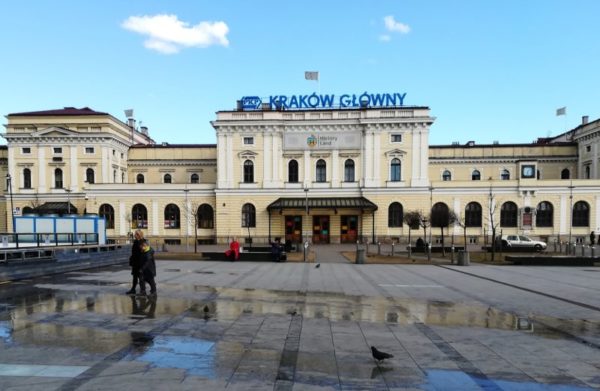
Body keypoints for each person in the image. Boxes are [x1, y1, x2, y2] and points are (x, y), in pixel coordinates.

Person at [126, 230, 144, 295]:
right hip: (135, 262)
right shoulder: (136, 241)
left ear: (138, 235)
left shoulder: (142, 241)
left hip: (140, 262)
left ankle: (143, 290)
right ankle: (133, 289)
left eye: (135, 234)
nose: (134, 235)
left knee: (140, 277)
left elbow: (144, 251)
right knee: (135, 277)